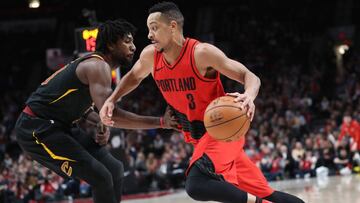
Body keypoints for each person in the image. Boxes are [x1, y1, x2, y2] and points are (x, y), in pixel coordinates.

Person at [100, 3, 304, 203]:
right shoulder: (150, 56)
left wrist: (249, 95)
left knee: (197, 184)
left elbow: (249, 76)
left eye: (154, 28)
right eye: (148, 29)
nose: (149, 35)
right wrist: (112, 98)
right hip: (201, 139)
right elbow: (134, 77)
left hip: (223, 132)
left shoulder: (201, 53)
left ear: (172, 27)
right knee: (267, 194)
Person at [15, 19, 177, 203]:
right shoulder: (97, 67)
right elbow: (112, 115)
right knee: (101, 177)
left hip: (59, 125)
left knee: (115, 168)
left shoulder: (96, 67)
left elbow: (78, 107)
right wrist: (161, 122)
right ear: (110, 44)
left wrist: (99, 121)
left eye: (133, 42)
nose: (133, 47)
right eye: (127, 41)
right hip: (36, 129)